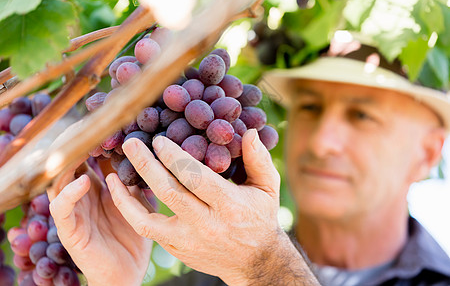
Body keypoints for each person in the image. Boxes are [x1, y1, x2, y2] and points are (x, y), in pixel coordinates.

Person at [48, 37, 450, 286]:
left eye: (363, 116)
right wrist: (117, 283)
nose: (324, 141)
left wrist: (264, 268)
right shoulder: (202, 282)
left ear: (429, 153)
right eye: (309, 107)